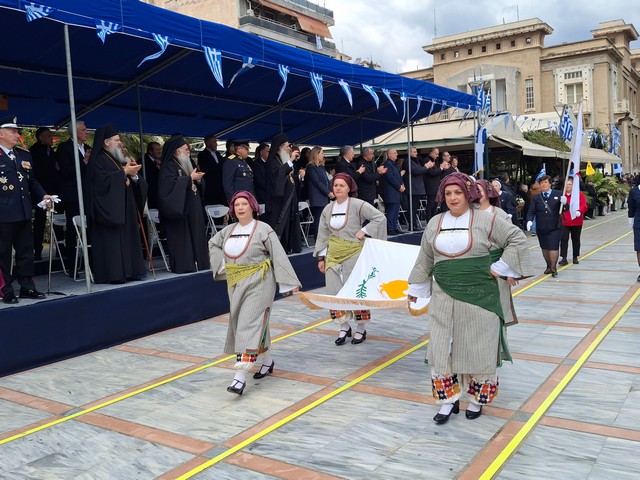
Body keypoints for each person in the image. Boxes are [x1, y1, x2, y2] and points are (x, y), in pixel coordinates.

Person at [407, 172, 532, 424]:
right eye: (448, 193)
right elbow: (426, 257)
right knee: (443, 347)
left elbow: (516, 238)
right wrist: (417, 287)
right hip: (443, 296)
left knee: (478, 347)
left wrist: (500, 267)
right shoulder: (435, 222)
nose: (453, 198)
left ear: (468, 194)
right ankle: (448, 400)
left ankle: (476, 400)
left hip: (480, 296)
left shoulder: (486, 219)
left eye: (458, 192)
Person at [209, 191, 301, 395]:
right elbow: (213, 244)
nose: (240, 208)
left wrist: (288, 282)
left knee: (248, 324)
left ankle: (239, 378)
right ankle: (267, 361)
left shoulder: (263, 229)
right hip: (236, 282)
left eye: (244, 204)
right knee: (255, 323)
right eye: (237, 205)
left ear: (253, 206)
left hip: (260, 281)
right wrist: (223, 267)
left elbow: (278, 254)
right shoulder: (228, 230)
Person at [315, 173, 387, 345]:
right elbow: (323, 233)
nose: (338, 188)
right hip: (333, 254)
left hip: (354, 252)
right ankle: (344, 326)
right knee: (334, 292)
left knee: (356, 290)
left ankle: (361, 328)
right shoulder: (327, 209)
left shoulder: (358, 204)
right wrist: (321, 257)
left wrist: (364, 231)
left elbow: (379, 217)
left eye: (342, 185)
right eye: (335, 185)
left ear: (349, 188)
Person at [0, 115, 55, 303]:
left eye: (18, 132)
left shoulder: (24, 155)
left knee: (25, 251)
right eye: (13, 131)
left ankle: (27, 287)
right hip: (3, 213)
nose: (18, 135)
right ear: (1, 134)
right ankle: (5, 289)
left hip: (23, 210)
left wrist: (43, 195)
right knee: (3, 253)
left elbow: (32, 181)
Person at [85, 124, 147, 284]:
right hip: (108, 210)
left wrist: (133, 175)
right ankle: (114, 274)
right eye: (117, 140)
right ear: (106, 142)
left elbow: (125, 179)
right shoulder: (98, 159)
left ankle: (131, 271)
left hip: (124, 208)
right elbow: (101, 183)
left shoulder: (115, 158)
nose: (120, 143)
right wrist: (124, 172)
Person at [158, 134, 209, 273]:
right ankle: (186, 265)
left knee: (197, 233)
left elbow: (197, 181)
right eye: (186, 149)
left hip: (193, 207)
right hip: (179, 208)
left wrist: (199, 180)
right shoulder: (168, 166)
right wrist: (189, 179)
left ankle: (200, 262)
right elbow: (168, 187)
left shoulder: (189, 162)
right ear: (177, 150)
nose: (188, 152)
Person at [57, 120, 90, 258]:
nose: (86, 132)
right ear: (74, 132)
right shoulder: (64, 148)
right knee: (72, 229)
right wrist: (84, 162)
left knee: (90, 228)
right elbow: (66, 171)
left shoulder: (88, 148)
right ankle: (72, 262)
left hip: (88, 193)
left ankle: (92, 261)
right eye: (83, 130)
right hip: (72, 195)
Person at [29, 127, 62, 261]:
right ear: (41, 138)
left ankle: (60, 248)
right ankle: (37, 250)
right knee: (40, 221)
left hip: (54, 190)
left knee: (58, 219)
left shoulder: (51, 151)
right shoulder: (33, 151)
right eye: (48, 136)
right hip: (40, 191)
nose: (51, 138)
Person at [267, 133, 301, 253]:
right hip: (278, 200)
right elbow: (279, 175)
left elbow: (289, 176)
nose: (289, 148)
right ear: (280, 147)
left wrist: (299, 177)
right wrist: (290, 160)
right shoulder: (273, 161)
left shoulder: (283, 159)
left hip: (289, 197)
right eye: (287, 146)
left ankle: (289, 247)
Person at [525, 175, 565, 277]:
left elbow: (566, 210)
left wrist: (565, 203)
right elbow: (531, 211)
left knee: (553, 247)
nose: (543, 184)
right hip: (541, 227)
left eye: (545, 182)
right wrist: (529, 221)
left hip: (555, 226)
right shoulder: (536, 197)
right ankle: (548, 266)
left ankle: (553, 268)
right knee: (545, 247)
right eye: (541, 183)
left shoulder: (558, 194)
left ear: (550, 184)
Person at [305, 146, 333, 240]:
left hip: (324, 196)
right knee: (319, 218)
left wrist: (330, 190)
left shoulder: (320, 167)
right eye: (321, 153)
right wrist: (328, 192)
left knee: (324, 218)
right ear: (316, 155)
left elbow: (326, 181)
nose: (323, 155)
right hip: (318, 197)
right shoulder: (311, 167)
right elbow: (317, 182)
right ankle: (318, 238)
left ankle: (324, 237)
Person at [559, 177, 587, 266]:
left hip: (576, 221)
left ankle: (575, 256)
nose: (568, 186)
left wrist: (580, 211)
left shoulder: (579, 195)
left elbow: (584, 205)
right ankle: (564, 257)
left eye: (570, 184)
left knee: (576, 239)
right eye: (566, 184)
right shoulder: (562, 195)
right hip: (565, 221)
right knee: (563, 239)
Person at [197, 133, 227, 206]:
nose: (216, 144)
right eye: (214, 142)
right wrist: (219, 167)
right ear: (208, 143)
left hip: (220, 187)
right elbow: (206, 169)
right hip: (211, 187)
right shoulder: (202, 154)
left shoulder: (217, 153)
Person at [380, 148, 404, 235]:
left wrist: (402, 184)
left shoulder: (394, 164)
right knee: (392, 210)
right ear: (389, 155)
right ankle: (390, 228)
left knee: (396, 210)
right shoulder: (387, 164)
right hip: (391, 191)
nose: (396, 154)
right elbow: (390, 178)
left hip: (396, 191)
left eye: (396, 153)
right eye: (394, 153)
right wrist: (399, 186)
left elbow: (398, 177)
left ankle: (394, 226)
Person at [222, 139, 255, 204]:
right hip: (239, 199)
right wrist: (233, 201)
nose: (248, 151)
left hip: (249, 198)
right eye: (246, 149)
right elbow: (228, 185)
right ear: (239, 149)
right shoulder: (231, 161)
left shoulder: (243, 161)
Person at [627, 175, 640, 282]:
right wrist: (630, 222)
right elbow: (631, 207)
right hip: (638, 223)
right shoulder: (634, 191)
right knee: (639, 248)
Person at [142, 141, 162, 210]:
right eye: (157, 150)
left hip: (157, 195)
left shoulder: (159, 161)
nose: (160, 152)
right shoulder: (143, 161)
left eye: (160, 149)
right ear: (150, 151)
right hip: (149, 196)